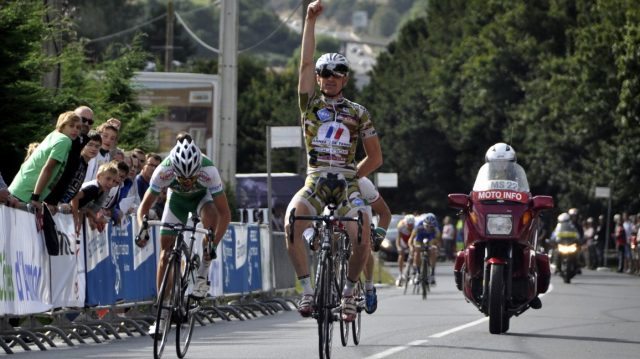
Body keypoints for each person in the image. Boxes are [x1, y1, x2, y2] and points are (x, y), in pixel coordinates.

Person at [285, 0, 382, 322]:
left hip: (346, 182)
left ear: (345, 78)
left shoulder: (359, 112)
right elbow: (304, 62)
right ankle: (307, 290)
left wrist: (354, 175)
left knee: (363, 229)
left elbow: (376, 156)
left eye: (337, 73)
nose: (329, 77)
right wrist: (310, 21)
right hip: (315, 179)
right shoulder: (309, 105)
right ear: (318, 77)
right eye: (324, 73)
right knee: (291, 222)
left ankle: (350, 293)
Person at [136, 134, 231, 335]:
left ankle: (203, 274)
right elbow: (144, 207)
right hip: (177, 202)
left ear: (198, 170)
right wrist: (142, 228)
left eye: (192, 178)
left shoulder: (209, 170)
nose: (187, 182)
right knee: (165, 253)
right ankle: (162, 314)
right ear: (174, 171)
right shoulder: (163, 171)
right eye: (182, 178)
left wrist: (213, 244)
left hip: (202, 199)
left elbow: (225, 214)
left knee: (211, 219)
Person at [9, 111, 81, 214]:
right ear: (62, 126)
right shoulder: (65, 141)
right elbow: (48, 168)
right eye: (71, 126)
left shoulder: (53, 135)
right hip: (26, 194)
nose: (75, 130)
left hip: (18, 188)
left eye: (78, 127)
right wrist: (35, 198)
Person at [358, 176, 391, 315]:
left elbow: (385, 213)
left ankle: (369, 287)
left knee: (365, 247)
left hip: (361, 216)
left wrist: (377, 237)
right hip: (338, 217)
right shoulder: (325, 177)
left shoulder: (363, 183)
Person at [70, 161, 119, 235]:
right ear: (99, 176)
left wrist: (80, 225)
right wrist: (75, 216)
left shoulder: (101, 190)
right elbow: (75, 196)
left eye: (114, 181)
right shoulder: (94, 188)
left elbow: (83, 208)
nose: (110, 183)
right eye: (108, 179)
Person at [408, 213, 441, 285]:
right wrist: (411, 247)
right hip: (420, 237)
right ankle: (418, 273)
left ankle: (432, 274)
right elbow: (411, 239)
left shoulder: (436, 229)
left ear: (434, 226)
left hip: (431, 237)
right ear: (424, 224)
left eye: (431, 227)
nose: (429, 228)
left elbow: (438, 241)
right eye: (427, 226)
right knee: (417, 251)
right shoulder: (418, 226)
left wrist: (437, 249)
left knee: (432, 251)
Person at [395, 214, 415, 286]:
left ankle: (413, 273)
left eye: (411, 225)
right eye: (408, 225)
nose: (410, 226)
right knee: (401, 254)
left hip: (413, 239)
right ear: (405, 223)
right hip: (404, 239)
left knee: (414, 254)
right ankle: (400, 274)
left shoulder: (416, 226)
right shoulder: (401, 226)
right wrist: (398, 247)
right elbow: (398, 239)